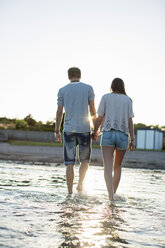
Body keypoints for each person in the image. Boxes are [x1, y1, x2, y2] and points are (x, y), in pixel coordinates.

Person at [55, 67, 96, 195]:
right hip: (84, 129)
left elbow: (59, 112)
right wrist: (96, 129)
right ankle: (80, 184)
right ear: (80, 75)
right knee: (84, 161)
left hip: (68, 130)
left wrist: (57, 130)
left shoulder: (62, 90)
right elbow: (93, 110)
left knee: (69, 163)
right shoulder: (88, 88)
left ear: (68, 76)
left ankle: (69, 192)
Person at [93, 78, 134, 201]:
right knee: (118, 166)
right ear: (123, 86)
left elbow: (100, 117)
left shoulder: (106, 97)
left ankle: (110, 196)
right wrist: (133, 139)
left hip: (108, 134)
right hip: (123, 136)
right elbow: (130, 121)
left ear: (112, 86)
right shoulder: (128, 100)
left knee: (108, 167)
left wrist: (94, 131)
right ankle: (113, 194)